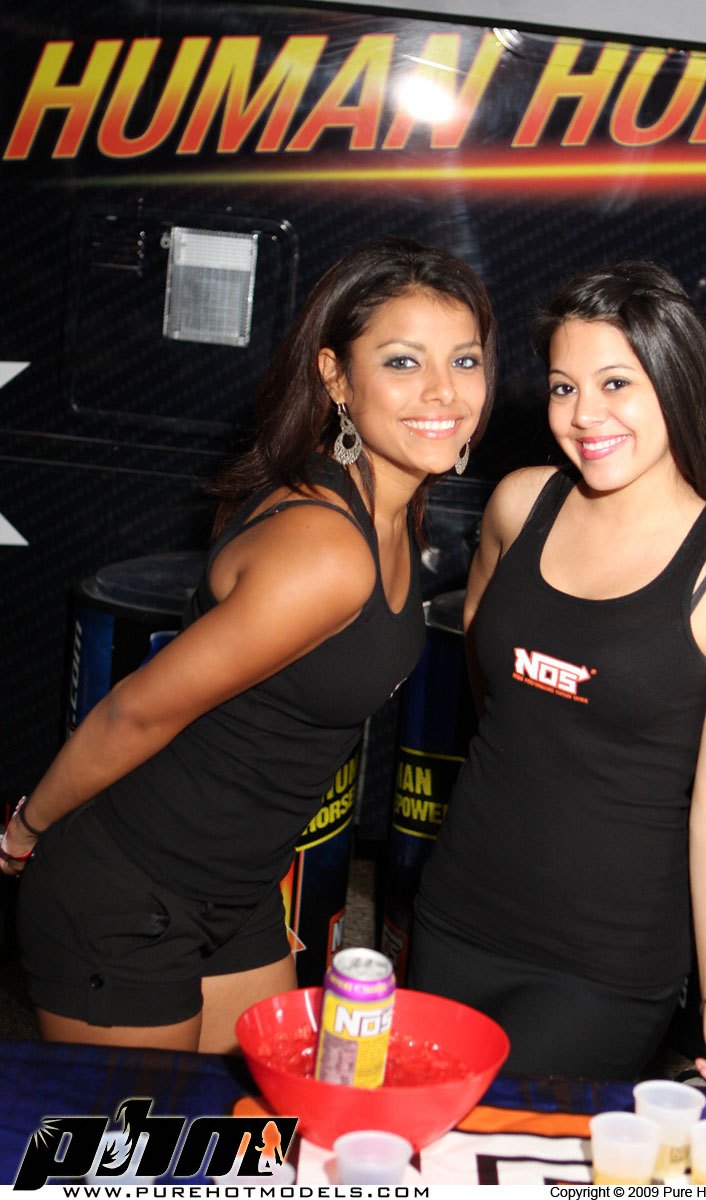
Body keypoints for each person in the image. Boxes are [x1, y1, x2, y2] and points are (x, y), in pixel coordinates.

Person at [0, 235, 496, 1053]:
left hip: (235, 891)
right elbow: (134, 712)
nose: (444, 391)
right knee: (146, 1135)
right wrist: (26, 829)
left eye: (465, 360)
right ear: (336, 377)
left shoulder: (390, 506)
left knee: (257, 1128)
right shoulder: (326, 547)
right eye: (403, 362)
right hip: (128, 885)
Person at [409, 261, 706, 1091]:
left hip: (602, 966)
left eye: (616, 382)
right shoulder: (518, 505)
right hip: (456, 912)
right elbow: (491, 689)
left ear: (676, 381)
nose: (584, 414)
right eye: (563, 387)